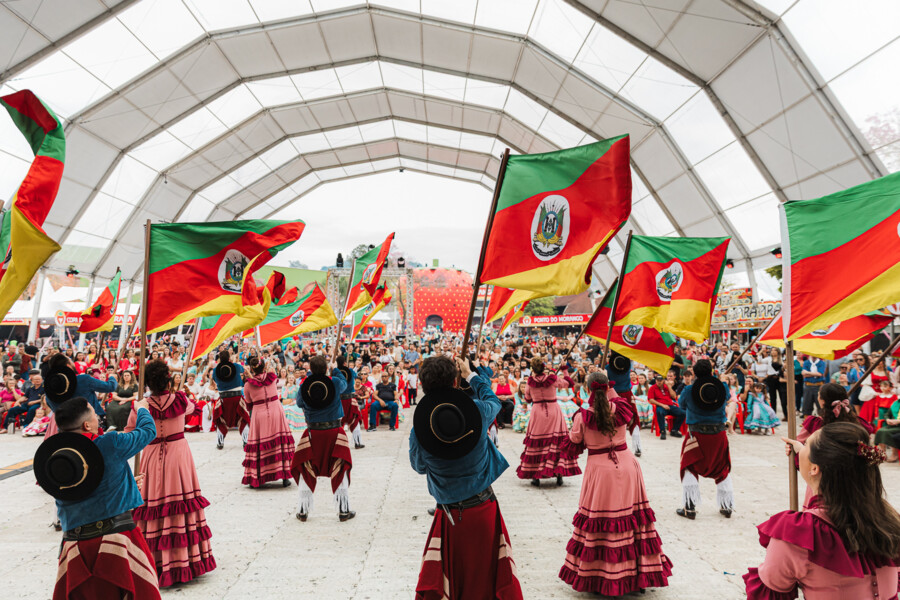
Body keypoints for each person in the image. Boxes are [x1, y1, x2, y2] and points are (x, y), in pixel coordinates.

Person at [409, 356, 523, 600]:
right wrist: (470, 374)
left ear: (423, 385)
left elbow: (418, 466)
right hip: (484, 509)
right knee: (486, 583)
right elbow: (493, 400)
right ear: (454, 381)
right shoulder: (478, 411)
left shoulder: (420, 428)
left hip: (448, 515)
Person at [745, 422, 900, 599]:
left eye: (807, 445)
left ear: (815, 468)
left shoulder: (800, 532)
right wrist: (802, 451)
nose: (802, 448)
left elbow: (772, 588)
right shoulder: (888, 519)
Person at [558, 370, 672, 595]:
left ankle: (601, 575)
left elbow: (573, 444)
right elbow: (618, 398)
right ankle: (637, 573)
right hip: (627, 465)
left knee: (601, 520)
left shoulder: (583, 415)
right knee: (631, 519)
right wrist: (605, 387)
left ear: (589, 389)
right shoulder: (621, 407)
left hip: (600, 471)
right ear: (608, 386)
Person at [37, 395, 160, 600]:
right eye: (95, 414)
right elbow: (148, 431)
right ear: (87, 424)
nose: (98, 417)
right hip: (117, 537)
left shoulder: (52, 458)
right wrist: (142, 409)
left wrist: (126, 484)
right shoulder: (110, 443)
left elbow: (84, 490)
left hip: (75, 545)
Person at [125, 359, 216, 587]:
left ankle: (154, 562)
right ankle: (184, 561)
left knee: (153, 504)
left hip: (152, 454)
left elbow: (129, 431)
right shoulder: (181, 400)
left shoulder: (141, 405)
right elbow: (193, 409)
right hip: (178, 456)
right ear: (168, 379)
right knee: (181, 502)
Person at [291, 355, 354, 522]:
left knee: (307, 469)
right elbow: (345, 384)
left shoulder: (306, 384)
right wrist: (335, 370)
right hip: (334, 431)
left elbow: (299, 403)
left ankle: (303, 510)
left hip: (313, 432)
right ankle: (343, 510)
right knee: (339, 467)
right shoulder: (334, 381)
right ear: (326, 368)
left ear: (310, 369)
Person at [676, 359, 735, 520]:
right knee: (722, 467)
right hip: (718, 434)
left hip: (696, 435)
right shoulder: (721, 387)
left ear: (694, 373)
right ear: (711, 371)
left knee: (689, 466)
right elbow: (728, 396)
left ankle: (690, 507)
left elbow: (681, 405)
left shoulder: (689, 390)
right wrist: (722, 380)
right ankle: (726, 506)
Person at [516, 356, 580, 487]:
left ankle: (536, 476)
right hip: (553, 411)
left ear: (533, 369)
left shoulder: (529, 382)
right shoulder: (553, 379)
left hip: (537, 412)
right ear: (544, 367)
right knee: (556, 440)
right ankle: (559, 474)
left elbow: (527, 398)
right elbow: (569, 383)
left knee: (537, 441)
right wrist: (564, 369)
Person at [242, 356, 295, 488]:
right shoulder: (272, 377)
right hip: (276, 410)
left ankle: (259, 477)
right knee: (279, 441)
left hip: (259, 413)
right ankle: (284, 476)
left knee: (261, 443)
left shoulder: (248, 385)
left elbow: (248, 403)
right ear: (263, 366)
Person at [211, 350, 250, 449]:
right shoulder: (236, 366)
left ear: (219, 359)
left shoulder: (216, 370)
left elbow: (214, 379)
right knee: (243, 418)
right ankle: (246, 441)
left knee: (221, 420)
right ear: (229, 358)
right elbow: (243, 370)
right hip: (236, 396)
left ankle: (220, 442)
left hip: (224, 398)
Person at [606, 351, 643, 456]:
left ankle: (613, 446)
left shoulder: (607, 369)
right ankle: (637, 447)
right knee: (634, 418)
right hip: (627, 394)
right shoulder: (628, 366)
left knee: (613, 420)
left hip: (613, 395)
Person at [647, 373, 684, 440]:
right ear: (655, 381)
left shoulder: (666, 387)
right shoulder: (652, 388)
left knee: (683, 413)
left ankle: (674, 430)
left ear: (663, 381)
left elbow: (674, 396)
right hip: (661, 406)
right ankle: (663, 431)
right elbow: (651, 400)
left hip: (670, 406)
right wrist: (662, 405)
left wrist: (669, 386)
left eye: (660, 380)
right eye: (657, 380)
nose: (659, 382)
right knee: (660, 412)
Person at [337, 356, 364, 449]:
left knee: (337, 422)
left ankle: (337, 443)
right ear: (345, 363)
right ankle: (357, 442)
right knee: (355, 420)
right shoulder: (351, 372)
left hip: (339, 401)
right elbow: (356, 375)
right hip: (350, 400)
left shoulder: (335, 372)